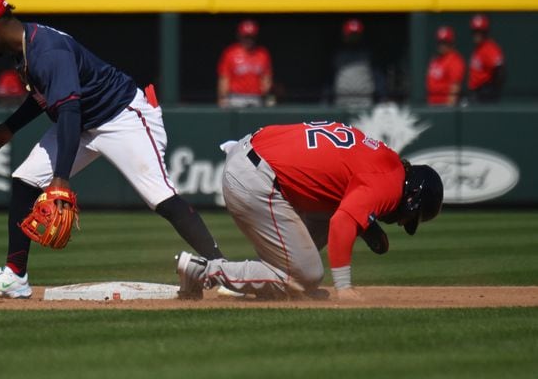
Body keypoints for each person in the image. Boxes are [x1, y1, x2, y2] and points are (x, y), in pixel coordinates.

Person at [0, 0, 223, 299]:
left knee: (160, 196)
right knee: (25, 180)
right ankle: (15, 276)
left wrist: (60, 179)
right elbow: (49, 97)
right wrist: (10, 126)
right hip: (82, 122)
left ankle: (223, 269)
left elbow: (68, 110)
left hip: (123, 117)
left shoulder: (47, 51)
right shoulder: (25, 47)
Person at [176, 121, 443, 301]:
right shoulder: (391, 182)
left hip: (252, 154)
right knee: (307, 275)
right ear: (412, 198)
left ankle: (286, 283)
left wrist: (365, 222)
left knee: (300, 275)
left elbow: (339, 195)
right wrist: (344, 287)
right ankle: (204, 270)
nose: (401, 221)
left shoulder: (383, 158)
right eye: (409, 217)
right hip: (256, 178)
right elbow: (341, 222)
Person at [217, 19, 273, 108]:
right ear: (240, 36)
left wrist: (265, 95)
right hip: (236, 98)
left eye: (251, 37)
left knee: (257, 121)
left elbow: (267, 78)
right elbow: (224, 78)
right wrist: (222, 97)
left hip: (256, 97)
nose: (249, 40)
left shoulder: (262, 54)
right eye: (246, 37)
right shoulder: (231, 53)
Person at [331, 18, 377, 109]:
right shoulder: (337, 55)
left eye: (356, 35)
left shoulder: (368, 55)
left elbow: (378, 78)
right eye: (350, 35)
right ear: (344, 36)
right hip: (342, 102)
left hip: (365, 102)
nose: (353, 38)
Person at [467, 14, 505, 103]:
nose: (477, 35)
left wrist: (490, 91)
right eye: (475, 31)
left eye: (480, 32)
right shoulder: (478, 49)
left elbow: (500, 72)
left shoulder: (490, 48)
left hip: (484, 94)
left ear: (485, 32)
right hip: (476, 93)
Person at [426, 26, 466, 106]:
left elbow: (454, 88)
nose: (442, 45)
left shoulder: (455, 60)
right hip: (431, 105)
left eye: (445, 42)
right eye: (440, 42)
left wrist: (448, 111)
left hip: (443, 107)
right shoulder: (436, 60)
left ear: (451, 43)